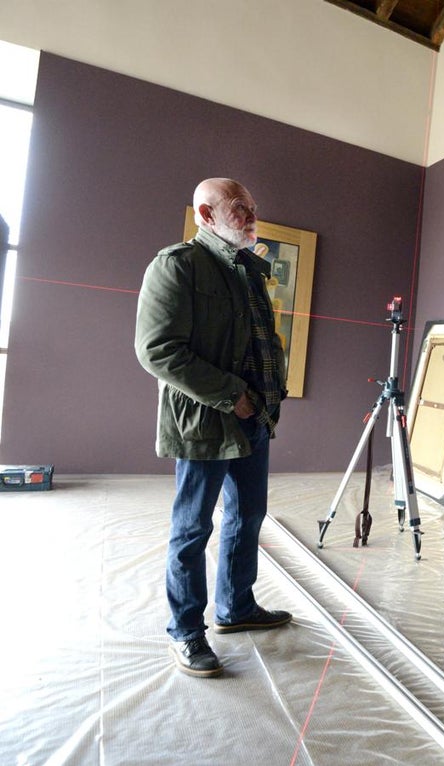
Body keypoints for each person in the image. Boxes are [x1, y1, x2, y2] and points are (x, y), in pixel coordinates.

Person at [135, 178, 292, 677]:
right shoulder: (177, 265)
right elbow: (159, 350)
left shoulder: (248, 269)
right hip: (206, 421)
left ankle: (236, 608)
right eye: (239, 208)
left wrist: (263, 400)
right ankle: (185, 632)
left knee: (247, 517)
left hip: (255, 418)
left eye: (252, 207)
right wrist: (232, 395)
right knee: (192, 528)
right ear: (206, 214)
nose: (250, 215)